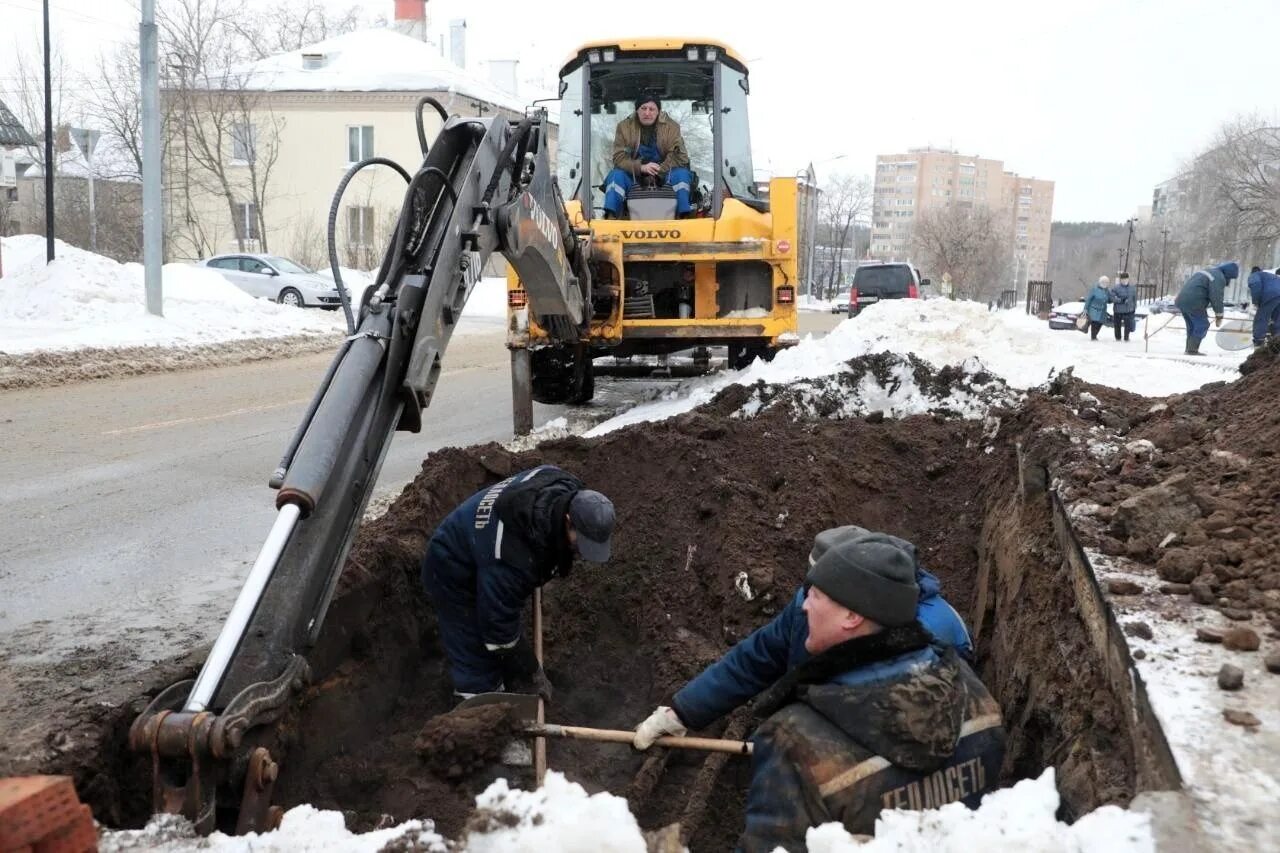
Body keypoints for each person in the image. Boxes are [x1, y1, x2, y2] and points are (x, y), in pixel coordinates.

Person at [633, 530, 1003, 852]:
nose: (804, 603)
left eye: (816, 594)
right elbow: (759, 655)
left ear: (852, 615)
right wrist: (683, 711)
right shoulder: (979, 701)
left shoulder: (794, 744)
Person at [420, 465, 615, 698]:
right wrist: (530, 673)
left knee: (501, 623)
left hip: (482, 550)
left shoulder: (563, 483)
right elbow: (498, 626)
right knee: (475, 651)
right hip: (450, 565)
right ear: (568, 520)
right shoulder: (513, 556)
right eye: (580, 542)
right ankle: (477, 707)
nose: (582, 552)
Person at [602, 95, 693, 219]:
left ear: (658, 112)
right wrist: (641, 168)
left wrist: (658, 171)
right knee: (615, 176)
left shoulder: (672, 127)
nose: (647, 113)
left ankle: (684, 216)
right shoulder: (624, 127)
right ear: (637, 111)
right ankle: (611, 218)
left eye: (652, 109)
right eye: (643, 108)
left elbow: (679, 157)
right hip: (634, 175)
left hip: (666, 174)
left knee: (681, 175)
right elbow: (619, 157)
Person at [1175, 262, 1237, 355]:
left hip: (1181, 300)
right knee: (1202, 325)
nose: (1229, 281)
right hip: (1194, 302)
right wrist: (1219, 315)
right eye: (1230, 278)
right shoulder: (1218, 277)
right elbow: (1216, 297)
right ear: (1228, 274)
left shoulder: (1208, 271)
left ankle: (1189, 349)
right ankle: (1192, 350)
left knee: (1192, 326)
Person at [1246, 266, 1280, 347]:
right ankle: (1277, 339)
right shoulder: (1269, 276)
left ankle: (1259, 340)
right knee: (1277, 318)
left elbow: (1255, 286)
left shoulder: (1254, 275)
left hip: (1271, 295)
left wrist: (1256, 301)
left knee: (1261, 317)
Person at [1110, 272, 1137, 342]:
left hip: (1128, 310)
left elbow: (1134, 299)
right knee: (1117, 325)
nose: (1124, 281)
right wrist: (1121, 300)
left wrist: (1134, 307)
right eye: (1123, 279)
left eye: (1126, 279)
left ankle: (1126, 338)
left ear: (1128, 279)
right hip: (1118, 310)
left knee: (1128, 325)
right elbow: (1112, 297)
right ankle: (1118, 338)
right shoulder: (1116, 288)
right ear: (1120, 280)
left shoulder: (1132, 288)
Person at [1084, 275, 1111, 341]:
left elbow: (1109, 299)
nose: (1105, 284)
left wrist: (1113, 300)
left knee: (1100, 323)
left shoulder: (1107, 291)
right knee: (1094, 323)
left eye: (1106, 283)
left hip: (1102, 310)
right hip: (1094, 309)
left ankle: (1095, 334)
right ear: (1100, 282)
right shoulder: (1094, 289)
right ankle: (1093, 336)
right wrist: (1085, 308)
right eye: (1103, 282)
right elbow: (1089, 299)